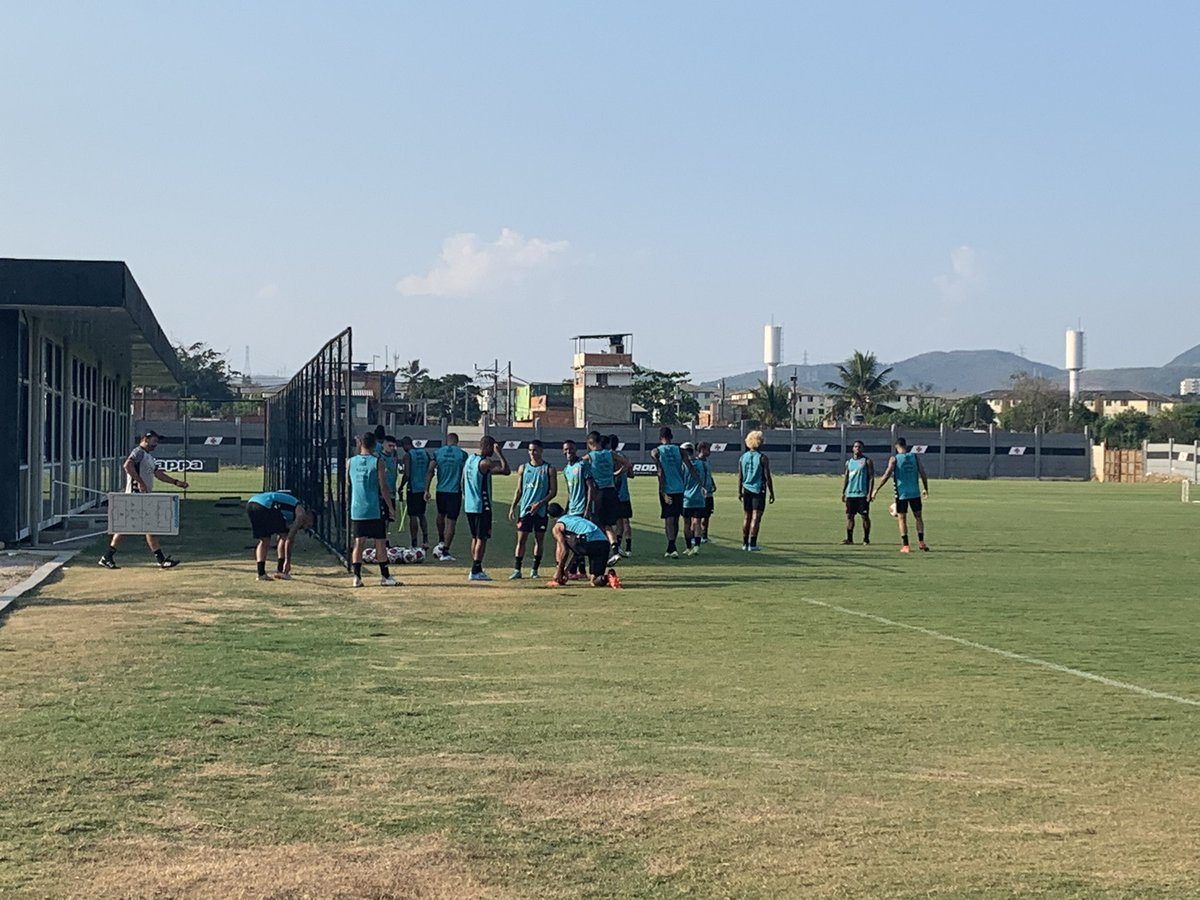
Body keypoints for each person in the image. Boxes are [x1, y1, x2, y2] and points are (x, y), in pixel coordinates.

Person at [98, 431, 188, 570]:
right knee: (135, 527)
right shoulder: (138, 452)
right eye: (154, 441)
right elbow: (127, 465)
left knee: (143, 527)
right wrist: (140, 482)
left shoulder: (148, 457)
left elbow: (158, 474)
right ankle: (108, 556)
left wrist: (176, 482)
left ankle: (108, 556)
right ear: (145, 439)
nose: (156, 444)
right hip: (136, 495)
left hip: (143, 496)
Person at [348, 432, 399, 587]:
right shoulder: (378, 462)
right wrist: (390, 507)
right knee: (380, 542)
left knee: (358, 542)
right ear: (373, 445)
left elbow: (349, 484)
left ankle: (356, 577)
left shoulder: (350, 462)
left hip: (357, 508)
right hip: (374, 508)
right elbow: (383, 487)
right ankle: (385, 576)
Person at [650, 426, 704, 558]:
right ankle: (671, 547)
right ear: (671, 437)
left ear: (660, 438)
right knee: (676, 518)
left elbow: (660, 472)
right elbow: (690, 468)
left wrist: (663, 492)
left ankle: (671, 546)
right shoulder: (680, 451)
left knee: (668, 518)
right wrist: (700, 483)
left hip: (667, 488)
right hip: (680, 488)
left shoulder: (656, 451)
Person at [463, 435, 512, 581]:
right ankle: (475, 569)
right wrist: (500, 453)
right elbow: (506, 470)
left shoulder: (470, 460)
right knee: (482, 538)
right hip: (481, 505)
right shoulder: (485, 463)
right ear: (490, 447)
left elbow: (462, 480)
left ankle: (476, 567)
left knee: (475, 537)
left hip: (469, 505)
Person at [508, 440, 558, 580]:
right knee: (521, 540)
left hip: (541, 512)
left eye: (535, 450)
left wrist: (540, 504)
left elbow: (553, 492)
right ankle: (517, 570)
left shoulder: (549, 469)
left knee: (539, 540)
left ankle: (534, 570)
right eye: (530, 450)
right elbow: (519, 490)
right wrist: (513, 506)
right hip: (525, 511)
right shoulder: (523, 468)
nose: (532, 453)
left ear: (541, 451)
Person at [871, 437, 930, 553]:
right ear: (906, 446)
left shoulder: (894, 459)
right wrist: (925, 488)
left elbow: (887, 475)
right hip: (915, 493)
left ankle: (906, 545)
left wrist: (876, 489)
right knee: (918, 517)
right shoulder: (914, 457)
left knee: (902, 518)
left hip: (902, 493)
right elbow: (923, 473)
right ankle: (921, 542)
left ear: (896, 447)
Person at [545, 502, 620, 588]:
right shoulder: (575, 518)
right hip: (603, 543)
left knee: (565, 541)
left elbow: (564, 550)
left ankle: (560, 574)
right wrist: (566, 570)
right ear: (562, 510)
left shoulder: (557, 527)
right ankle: (609, 577)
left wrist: (559, 571)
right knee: (595, 581)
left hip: (587, 542)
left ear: (550, 517)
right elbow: (577, 550)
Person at [246, 490, 315, 580]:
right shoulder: (301, 514)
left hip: (251, 504)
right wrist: (288, 561)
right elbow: (289, 539)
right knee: (284, 535)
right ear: (309, 516)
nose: (305, 527)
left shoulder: (290, 513)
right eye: (308, 524)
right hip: (266, 505)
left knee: (264, 540)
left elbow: (284, 523)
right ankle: (281, 570)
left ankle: (261, 573)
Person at [581, 431, 626, 565]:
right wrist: (616, 473)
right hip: (612, 491)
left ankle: (601, 550)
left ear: (590, 443)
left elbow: (578, 464)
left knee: (598, 524)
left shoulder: (590, 456)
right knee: (608, 524)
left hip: (599, 492)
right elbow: (627, 463)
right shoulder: (610, 453)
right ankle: (615, 550)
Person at [426, 432, 469, 562]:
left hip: (441, 490)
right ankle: (445, 551)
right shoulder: (462, 454)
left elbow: (430, 470)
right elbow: (467, 473)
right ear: (457, 441)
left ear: (447, 441)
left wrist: (426, 490)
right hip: (454, 491)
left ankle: (440, 540)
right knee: (451, 521)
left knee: (440, 515)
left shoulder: (438, 452)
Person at [738, 430, 775, 551]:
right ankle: (752, 544)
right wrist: (772, 492)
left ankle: (744, 543)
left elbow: (740, 476)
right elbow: (767, 477)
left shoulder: (743, 457)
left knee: (746, 516)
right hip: (758, 490)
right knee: (756, 517)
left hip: (746, 489)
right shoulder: (763, 458)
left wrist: (739, 491)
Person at [560, 440, 592, 580]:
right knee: (573, 542)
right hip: (572, 511)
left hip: (582, 509)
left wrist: (588, 508)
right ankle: (579, 571)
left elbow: (590, 487)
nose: (568, 452)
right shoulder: (566, 470)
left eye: (571, 449)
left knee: (578, 542)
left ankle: (577, 570)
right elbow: (570, 492)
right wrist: (566, 510)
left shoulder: (582, 465)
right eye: (566, 450)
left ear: (576, 449)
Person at [399, 436, 432, 550]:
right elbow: (429, 471)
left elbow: (407, 474)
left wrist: (401, 486)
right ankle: (426, 540)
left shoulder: (408, 456)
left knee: (412, 516)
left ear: (405, 445)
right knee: (422, 515)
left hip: (413, 488)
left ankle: (414, 543)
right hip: (423, 488)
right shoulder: (425, 454)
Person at [680, 441, 712, 555]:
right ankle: (697, 546)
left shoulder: (683, 465)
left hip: (686, 499)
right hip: (699, 498)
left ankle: (688, 547)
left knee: (687, 524)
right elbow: (705, 480)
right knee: (697, 522)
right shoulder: (701, 464)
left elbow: (681, 482)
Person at [841, 440, 874, 545]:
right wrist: (844, 492)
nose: (857, 449)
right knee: (850, 516)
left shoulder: (867, 461)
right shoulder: (849, 462)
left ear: (862, 449)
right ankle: (849, 539)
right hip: (851, 494)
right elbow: (846, 477)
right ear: (852, 448)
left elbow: (871, 478)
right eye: (855, 447)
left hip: (862, 494)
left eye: (859, 447)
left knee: (864, 516)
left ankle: (866, 538)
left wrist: (870, 493)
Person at [608, 434, 634, 557]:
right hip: (624, 494)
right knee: (625, 521)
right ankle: (628, 548)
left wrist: (617, 473)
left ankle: (617, 547)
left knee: (616, 523)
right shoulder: (623, 457)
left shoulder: (609, 456)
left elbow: (613, 475)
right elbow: (631, 474)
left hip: (614, 494)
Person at [378, 435, 400, 546]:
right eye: (389, 445)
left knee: (388, 518)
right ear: (384, 444)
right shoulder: (379, 458)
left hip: (391, 492)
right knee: (381, 519)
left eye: (393, 446)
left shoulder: (393, 458)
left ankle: (384, 539)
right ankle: (379, 541)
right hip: (381, 493)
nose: (391, 448)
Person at [696, 441, 717, 543]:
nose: (710, 451)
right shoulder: (696, 462)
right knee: (698, 516)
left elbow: (709, 474)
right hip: (700, 494)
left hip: (709, 493)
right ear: (702, 449)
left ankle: (704, 536)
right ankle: (695, 535)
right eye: (708, 449)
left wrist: (712, 483)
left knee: (707, 515)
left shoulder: (707, 462)